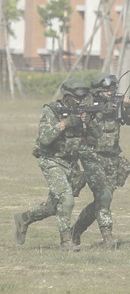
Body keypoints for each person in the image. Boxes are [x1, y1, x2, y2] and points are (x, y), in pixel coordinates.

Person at [14, 77, 92, 251]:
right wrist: (64, 124)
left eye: (82, 99)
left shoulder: (83, 112)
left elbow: (92, 139)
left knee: (53, 206)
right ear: (67, 96)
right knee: (67, 200)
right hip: (51, 160)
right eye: (75, 98)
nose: (79, 101)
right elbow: (44, 138)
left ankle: (24, 218)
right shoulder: (51, 111)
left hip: (71, 164)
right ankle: (66, 242)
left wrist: (88, 123)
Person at [72, 73, 130, 248]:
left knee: (103, 200)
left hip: (111, 157)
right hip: (91, 155)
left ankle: (76, 230)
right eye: (108, 90)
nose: (111, 92)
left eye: (113, 90)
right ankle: (108, 237)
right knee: (102, 196)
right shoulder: (88, 104)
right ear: (100, 91)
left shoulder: (117, 105)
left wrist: (128, 107)